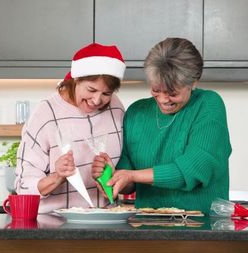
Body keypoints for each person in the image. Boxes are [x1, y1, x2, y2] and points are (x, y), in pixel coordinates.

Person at [92, 38, 232, 214]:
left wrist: (132, 175)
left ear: (193, 82)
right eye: (156, 90)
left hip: (201, 227)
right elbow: (129, 184)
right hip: (148, 227)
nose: (163, 99)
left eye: (172, 93)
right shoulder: (136, 112)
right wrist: (113, 179)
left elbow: (192, 170)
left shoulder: (208, 105)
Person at [15, 43, 126, 213]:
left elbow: (124, 170)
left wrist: (108, 175)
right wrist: (58, 176)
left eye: (106, 94)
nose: (97, 100)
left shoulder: (116, 108)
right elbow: (23, 186)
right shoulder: (46, 113)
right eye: (91, 89)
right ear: (76, 79)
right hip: (54, 224)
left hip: (106, 219)